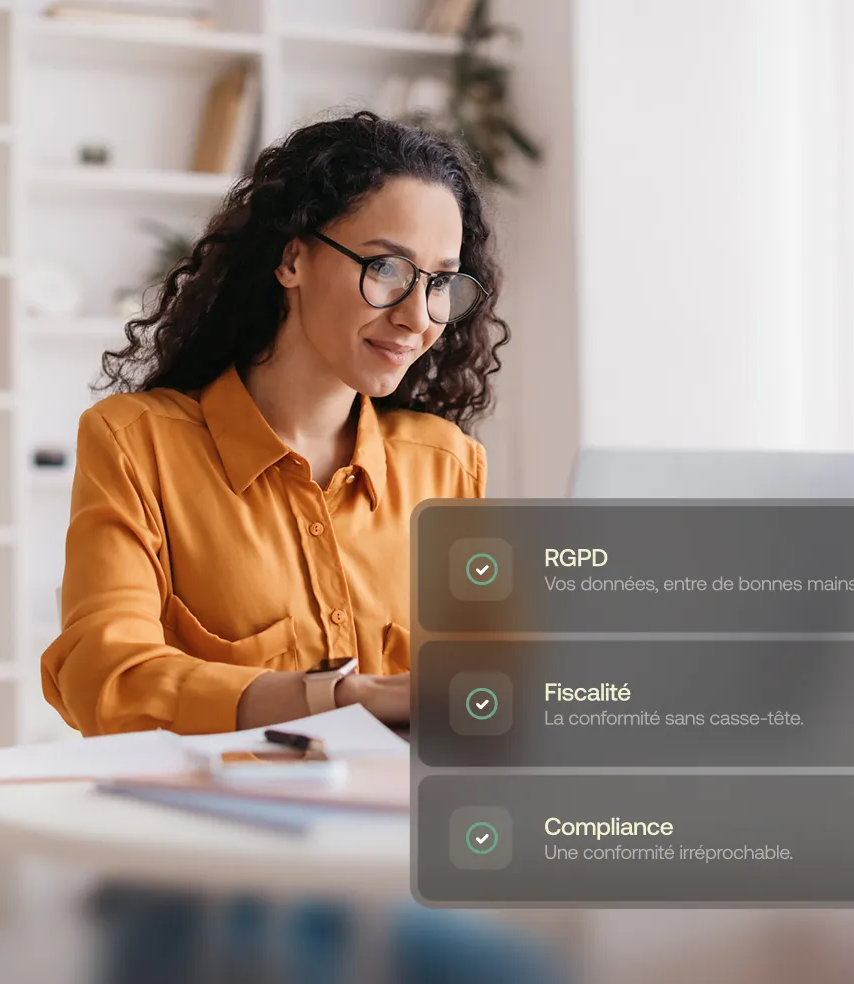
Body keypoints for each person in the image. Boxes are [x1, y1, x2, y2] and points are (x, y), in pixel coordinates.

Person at [41, 111, 508, 737]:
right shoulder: (136, 444)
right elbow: (107, 677)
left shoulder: (444, 464)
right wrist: (343, 697)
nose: (417, 317)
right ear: (292, 260)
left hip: (406, 822)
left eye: (440, 282)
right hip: (222, 827)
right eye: (386, 269)